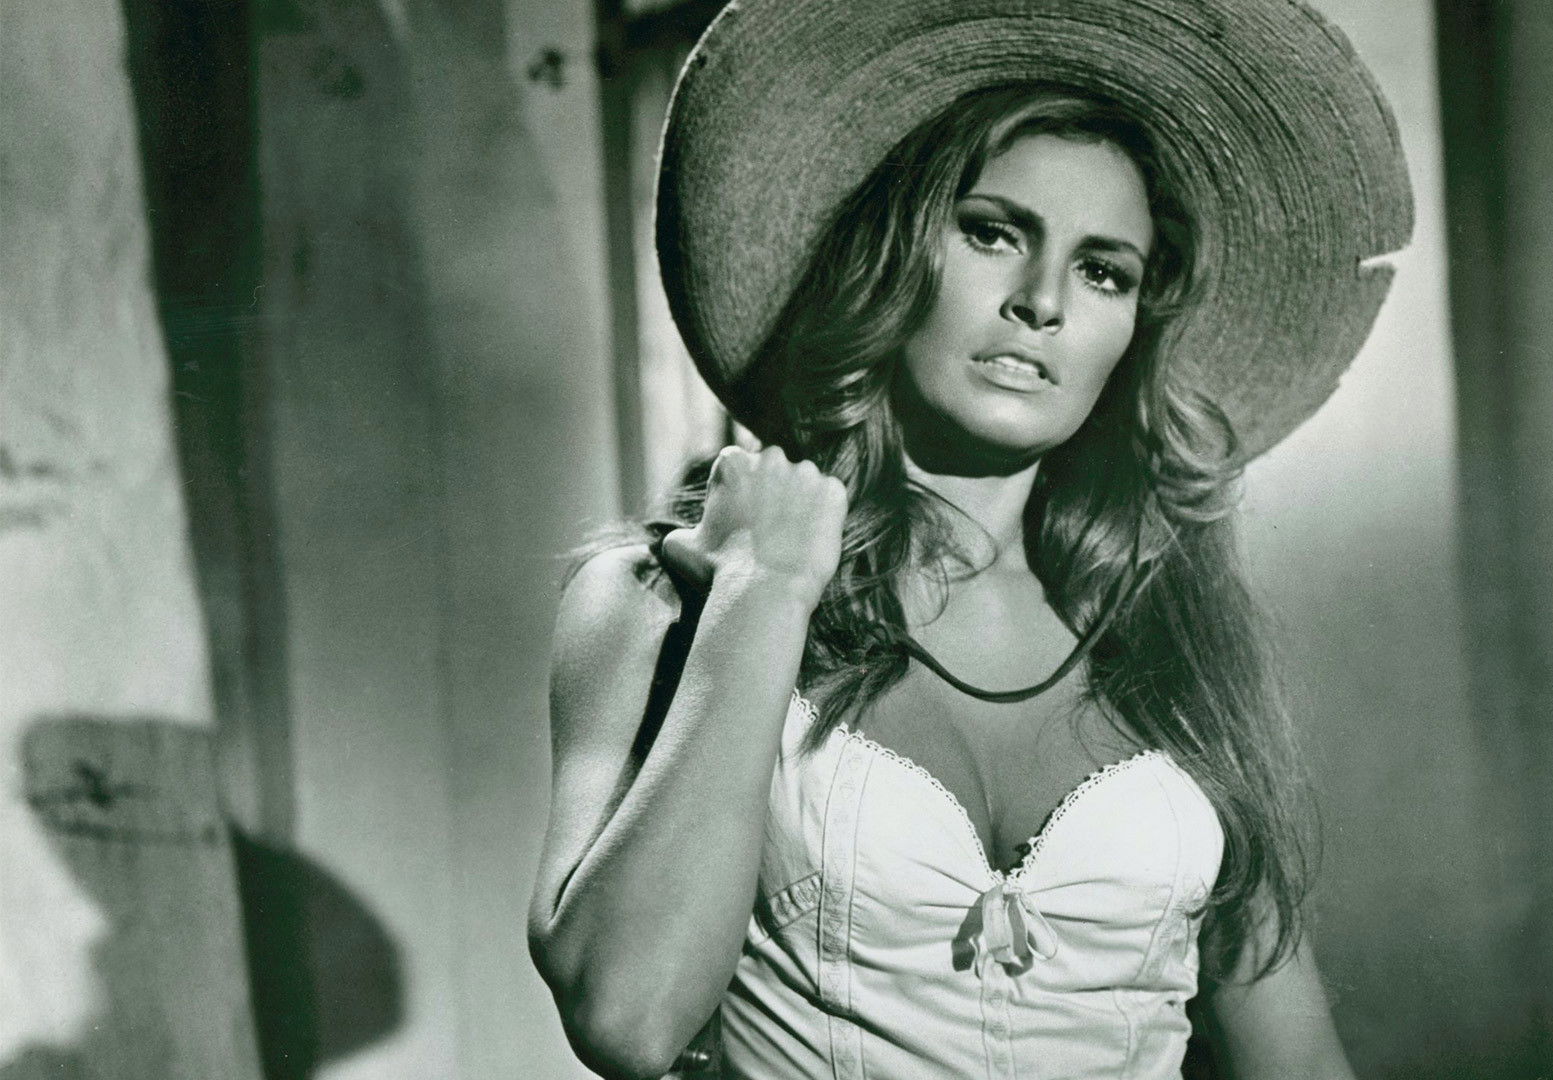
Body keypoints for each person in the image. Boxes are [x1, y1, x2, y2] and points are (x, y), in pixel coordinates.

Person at [528, 0, 1412, 1076]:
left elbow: (1300, 1066)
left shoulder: (1174, 623)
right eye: (993, 232)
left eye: (1103, 271)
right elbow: (628, 1019)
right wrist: (765, 591)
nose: (1041, 302)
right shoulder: (660, 601)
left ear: (1134, 326)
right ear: (893, 255)